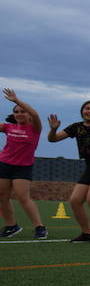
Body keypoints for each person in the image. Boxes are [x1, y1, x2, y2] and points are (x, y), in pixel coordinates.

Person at [47, 100, 90, 242]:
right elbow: (53, 139)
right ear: (82, 111)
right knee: (75, 200)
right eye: (87, 108)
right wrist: (53, 129)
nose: (89, 111)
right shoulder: (76, 127)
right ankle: (87, 233)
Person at [0, 88, 48, 239]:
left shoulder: (35, 128)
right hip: (4, 164)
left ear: (28, 114)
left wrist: (16, 100)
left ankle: (40, 227)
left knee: (23, 197)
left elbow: (35, 114)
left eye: (22, 111)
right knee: (2, 196)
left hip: (23, 167)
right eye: (16, 112)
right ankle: (11, 226)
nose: (19, 114)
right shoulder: (8, 127)